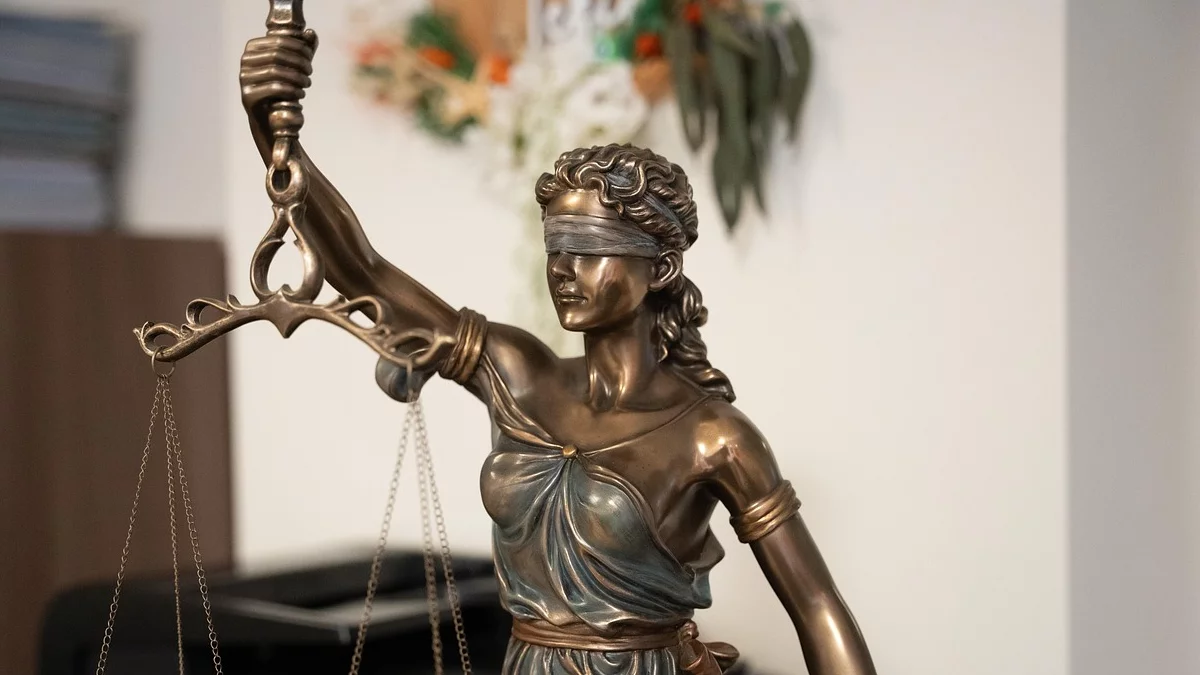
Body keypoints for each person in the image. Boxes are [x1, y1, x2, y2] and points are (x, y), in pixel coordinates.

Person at [239, 28, 877, 675]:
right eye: (556, 248)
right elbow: (366, 271)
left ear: (660, 268)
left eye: (590, 248)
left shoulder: (713, 436)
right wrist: (272, 127)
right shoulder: (518, 374)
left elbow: (818, 606)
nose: (565, 270)